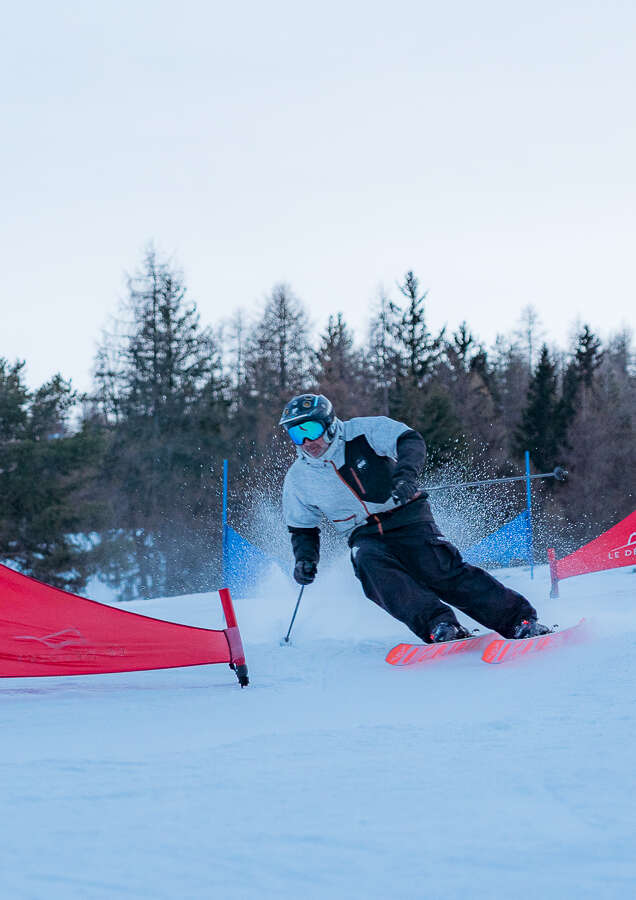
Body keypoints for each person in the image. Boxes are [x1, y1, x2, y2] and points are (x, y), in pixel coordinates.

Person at [280, 393, 549, 643]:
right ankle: (439, 626)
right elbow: (303, 527)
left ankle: (518, 620)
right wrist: (305, 559)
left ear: (328, 424)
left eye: (310, 430)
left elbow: (409, 440)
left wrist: (405, 477)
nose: (306, 442)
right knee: (369, 564)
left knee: (437, 569)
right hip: (363, 532)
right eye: (296, 434)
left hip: (406, 513)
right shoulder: (298, 478)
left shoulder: (362, 431)